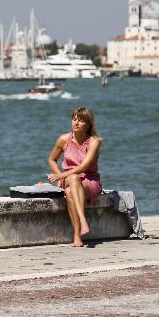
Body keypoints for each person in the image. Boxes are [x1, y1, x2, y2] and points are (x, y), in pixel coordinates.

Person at [46, 106, 102, 247]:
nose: (76, 123)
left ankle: (77, 236)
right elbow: (52, 159)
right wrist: (61, 175)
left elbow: (83, 167)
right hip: (68, 178)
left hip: (90, 180)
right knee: (73, 179)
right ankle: (83, 221)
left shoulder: (94, 141)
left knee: (70, 192)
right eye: (74, 119)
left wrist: (59, 176)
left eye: (81, 121)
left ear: (88, 124)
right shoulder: (64, 139)